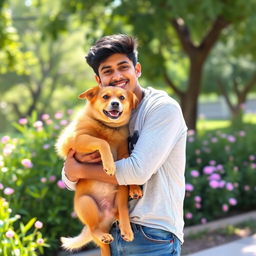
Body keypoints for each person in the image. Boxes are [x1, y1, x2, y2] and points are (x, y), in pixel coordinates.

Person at [62, 34, 187, 256]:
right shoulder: (102, 113)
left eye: (123, 67)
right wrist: (72, 172)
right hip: (110, 232)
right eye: (107, 71)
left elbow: (137, 172)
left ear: (137, 69)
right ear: (98, 80)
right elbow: (70, 176)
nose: (117, 75)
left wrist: (79, 169)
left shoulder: (161, 109)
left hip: (151, 235)